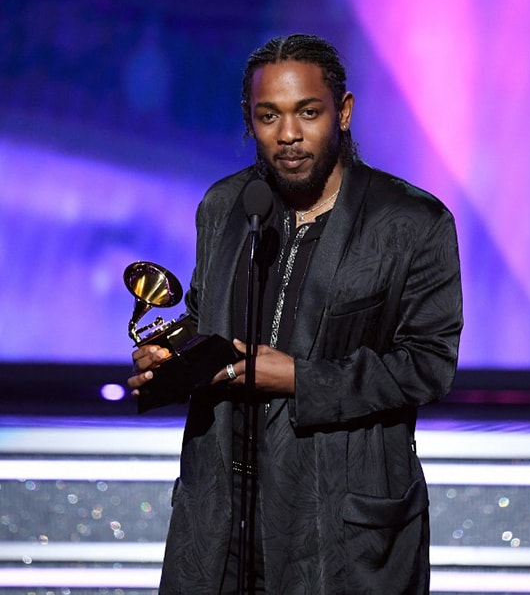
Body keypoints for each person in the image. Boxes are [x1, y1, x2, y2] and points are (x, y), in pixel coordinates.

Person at [128, 33, 463, 594]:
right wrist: (171, 358)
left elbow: (427, 366)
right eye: (269, 116)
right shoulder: (224, 207)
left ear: (344, 112)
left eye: (308, 113)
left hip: (338, 524)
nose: (289, 135)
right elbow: (208, 321)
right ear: (248, 120)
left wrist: (298, 377)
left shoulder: (412, 222)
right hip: (220, 520)